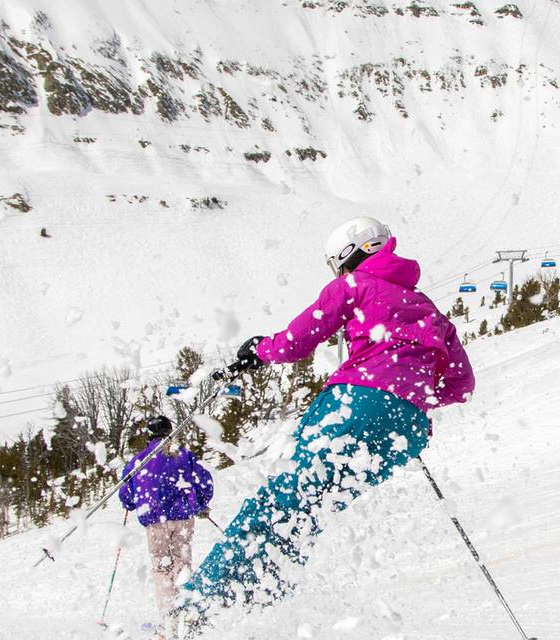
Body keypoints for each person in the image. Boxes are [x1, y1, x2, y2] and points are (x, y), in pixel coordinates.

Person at [177, 216, 475, 619]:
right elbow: (461, 385)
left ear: (350, 255)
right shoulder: (429, 309)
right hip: (408, 427)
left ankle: (199, 608)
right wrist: (404, 393)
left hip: (357, 402)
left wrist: (260, 350)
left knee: (281, 500)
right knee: (311, 506)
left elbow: (300, 339)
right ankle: (257, 607)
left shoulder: (355, 285)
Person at [117, 416, 214, 635]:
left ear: (149, 435)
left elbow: (126, 492)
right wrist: (201, 502)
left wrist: (130, 502)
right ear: (171, 431)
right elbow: (204, 480)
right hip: (182, 517)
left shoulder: (140, 460)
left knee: (162, 568)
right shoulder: (183, 455)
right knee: (182, 562)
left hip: (154, 521)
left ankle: (168, 619)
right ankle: (186, 611)